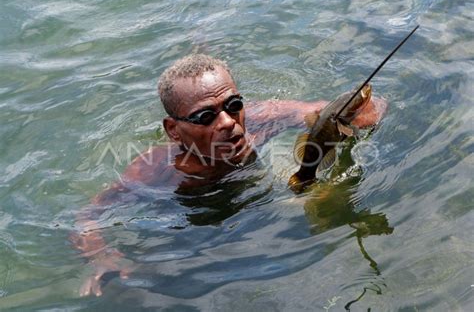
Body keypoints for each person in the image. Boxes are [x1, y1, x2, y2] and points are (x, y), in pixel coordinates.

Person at [72, 54, 387, 296]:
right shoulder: (156, 171)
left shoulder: (262, 120)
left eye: (233, 104)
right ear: (173, 130)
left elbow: (336, 110)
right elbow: (88, 216)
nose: (226, 121)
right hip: (189, 224)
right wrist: (102, 256)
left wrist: (359, 114)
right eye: (205, 116)